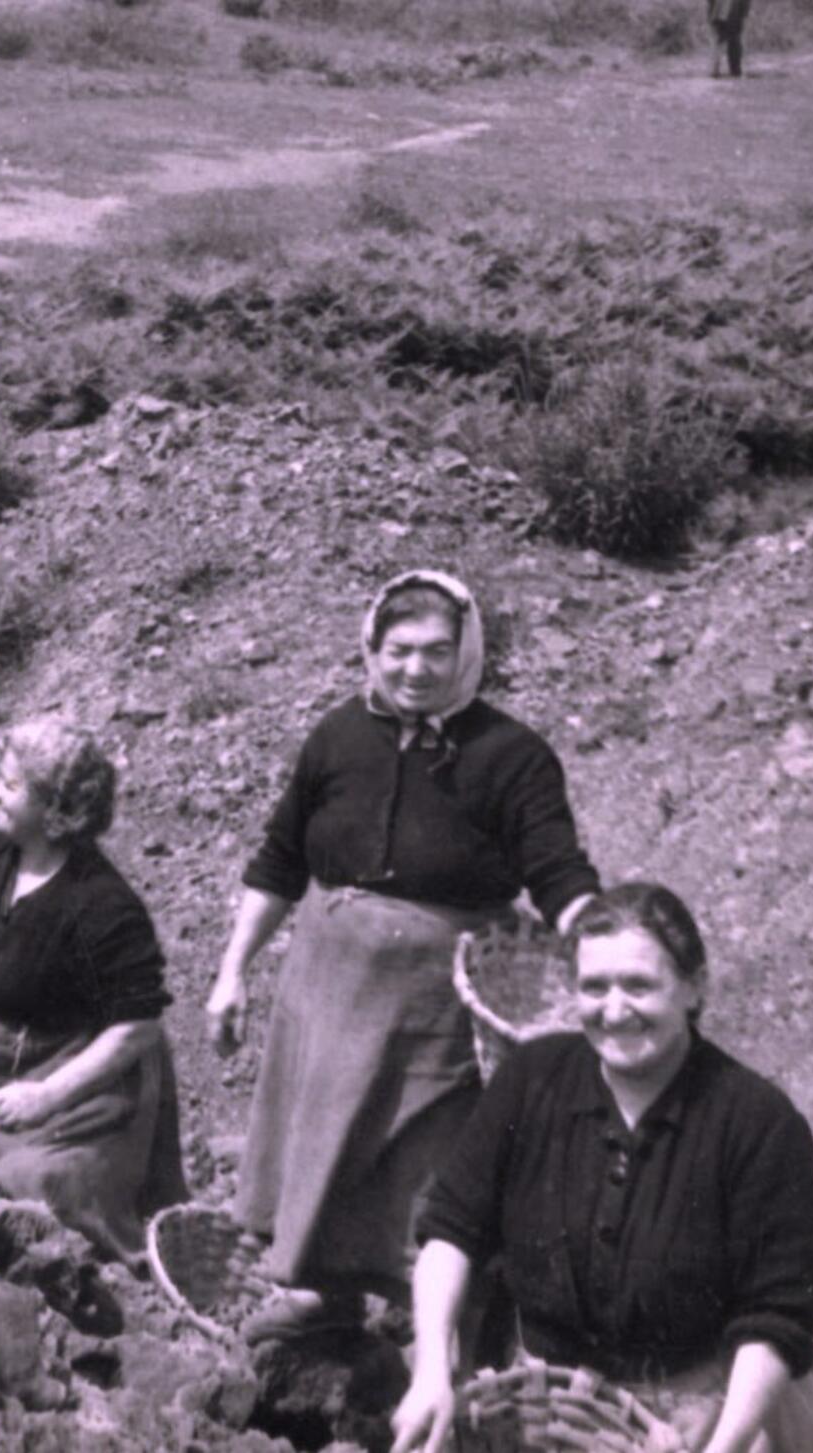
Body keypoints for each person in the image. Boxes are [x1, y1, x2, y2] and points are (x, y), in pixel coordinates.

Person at [206, 570, 600, 1339]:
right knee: (321, 1138)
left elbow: (557, 870)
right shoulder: (337, 736)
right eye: (398, 651)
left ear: (468, 653)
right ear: (371, 648)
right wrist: (232, 971)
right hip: (325, 987)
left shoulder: (511, 756)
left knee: (425, 1161)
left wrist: (605, 938)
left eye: (436, 652)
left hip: (433, 1007)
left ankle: (438, 1333)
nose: (415, 669)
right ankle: (324, 1297)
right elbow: (280, 860)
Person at [391, 883, 813, 1453]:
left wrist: (723, 1444)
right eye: (594, 987)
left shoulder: (759, 1124)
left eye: (640, 986)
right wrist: (430, 1373)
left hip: (712, 1413)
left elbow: (774, 1320)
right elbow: (451, 1231)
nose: (614, 1010)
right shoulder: (531, 1080)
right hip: (545, 1405)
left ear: (694, 988)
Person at [0, 720, 187, 1263]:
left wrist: (49, 1096)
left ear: (56, 809)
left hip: (77, 1081)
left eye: (11, 786)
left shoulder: (103, 905)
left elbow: (138, 1027)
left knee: (37, 1183)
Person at [710, 0, 751, 78]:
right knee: (734, 41)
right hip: (731, 13)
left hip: (719, 13)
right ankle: (735, 70)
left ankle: (716, 68)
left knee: (721, 41)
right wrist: (744, 15)